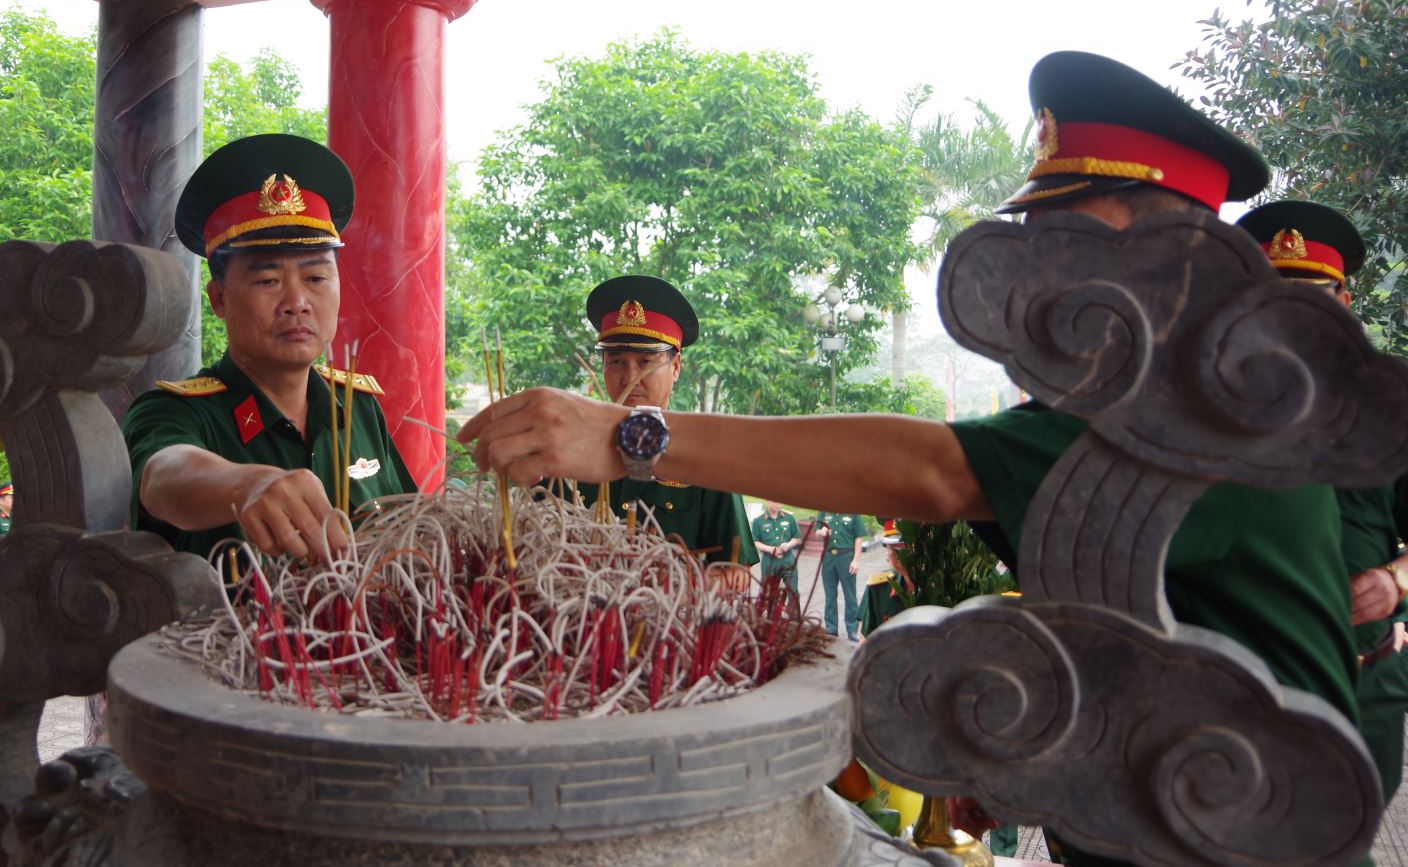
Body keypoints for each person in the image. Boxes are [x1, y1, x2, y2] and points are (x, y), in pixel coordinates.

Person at [459, 52, 1360, 866]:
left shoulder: (1214, 412)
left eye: (1073, 244)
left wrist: (632, 436)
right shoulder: (1133, 397)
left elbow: (938, 471)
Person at [122, 134, 416, 565]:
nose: (297, 302)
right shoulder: (176, 413)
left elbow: (411, 530)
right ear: (219, 299)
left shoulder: (358, 408)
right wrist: (245, 485)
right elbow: (163, 476)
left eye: (316, 278)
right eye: (268, 281)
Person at [1237, 198, 1408, 800]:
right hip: (1239, 692)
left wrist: (1396, 580)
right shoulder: (1208, 402)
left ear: (1343, 302)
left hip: (1365, 686)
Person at [568, 275, 758, 587]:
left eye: (645, 362)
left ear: (676, 366)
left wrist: (655, 594)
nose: (630, 377)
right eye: (616, 361)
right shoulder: (571, 452)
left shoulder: (707, 458)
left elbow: (736, 575)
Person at [816, 511, 866, 642]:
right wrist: (821, 532)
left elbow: (859, 537)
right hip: (829, 557)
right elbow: (817, 531)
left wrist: (856, 560)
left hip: (846, 556)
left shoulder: (853, 512)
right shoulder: (824, 511)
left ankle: (852, 629)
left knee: (850, 595)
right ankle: (831, 629)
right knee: (830, 595)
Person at [751, 499, 802, 592]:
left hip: (788, 560)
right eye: (774, 500)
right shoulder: (758, 520)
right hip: (769, 561)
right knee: (769, 593)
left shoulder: (789, 517)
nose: (777, 503)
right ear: (767, 500)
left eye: (779, 500)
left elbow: (797, 537)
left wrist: (788, 545)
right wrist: (769, 549)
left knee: (793, 592)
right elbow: (755, 541)